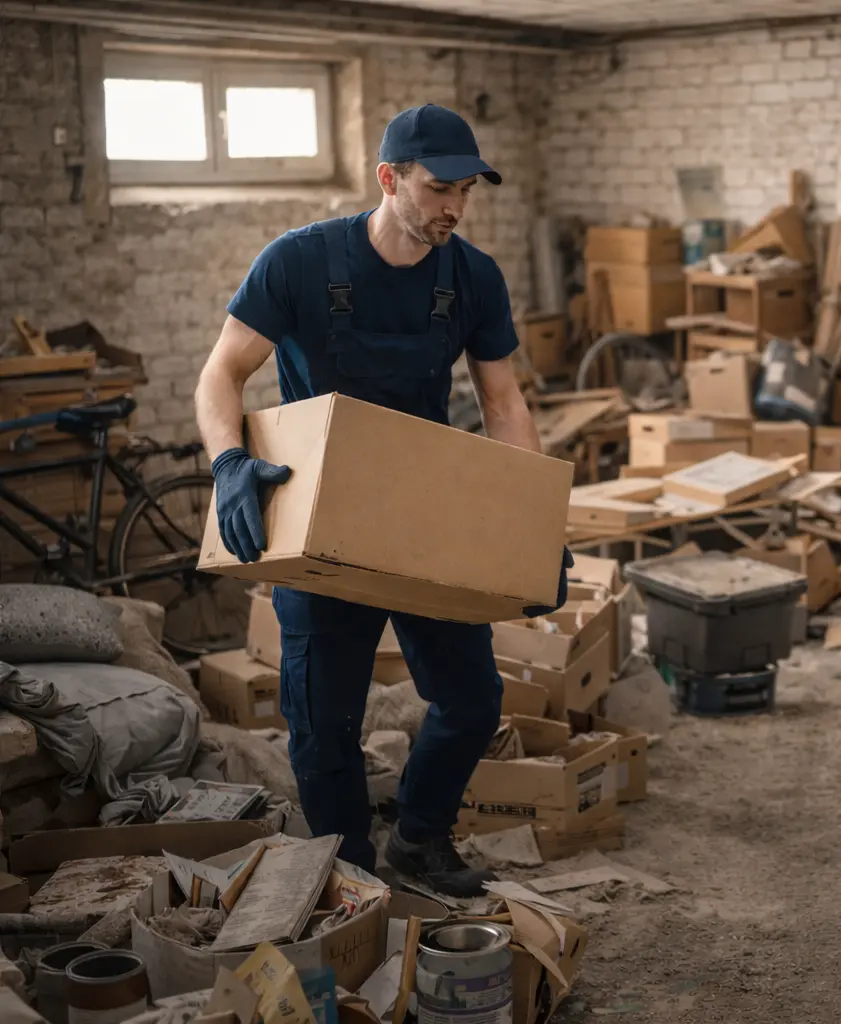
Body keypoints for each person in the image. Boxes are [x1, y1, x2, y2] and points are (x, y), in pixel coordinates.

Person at [194, 103, 571, 897]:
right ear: (389, 179)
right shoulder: (297, 263)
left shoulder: (472, 276)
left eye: (467, 191)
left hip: (422, 516)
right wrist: (229, 461)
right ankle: (350, 874)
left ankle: (421, 836)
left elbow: (503, 404)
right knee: (324, 722)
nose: (455, 208)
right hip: (321, 519)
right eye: (440, 189)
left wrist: (535, 524)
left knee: (471, 700)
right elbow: (222, 372)